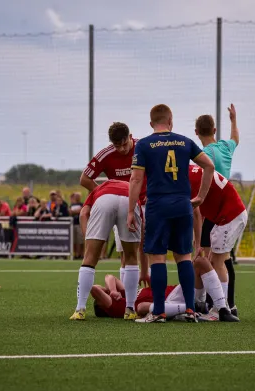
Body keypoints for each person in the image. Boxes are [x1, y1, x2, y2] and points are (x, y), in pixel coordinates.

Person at [128, 103, 218, 323]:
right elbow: (209, 166)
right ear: (171, 121)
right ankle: (189, 309)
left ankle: (158, 311)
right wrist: (201, 197)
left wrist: (131, 210)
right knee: (183, 256)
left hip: (158, 205)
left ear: (151, 123)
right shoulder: (185, 141)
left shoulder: (145, 145)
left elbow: (136, 179)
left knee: (157, 256)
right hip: (183, 205)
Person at [80, 122, 149, 284]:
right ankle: (127, 296)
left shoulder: (143, 148)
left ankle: (148, 291)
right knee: (126, 253)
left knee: (148, 249)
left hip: (145, 204)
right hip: (122, 207)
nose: (122, 149)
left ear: (130, 137)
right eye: (117, 146)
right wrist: (102, 194)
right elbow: (84, 179)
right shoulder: (106, 154)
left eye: (124, 144)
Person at [70, 179, 142, 321]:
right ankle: (130, 310)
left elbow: (84, 213)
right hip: (129, 198)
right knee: (131, 258)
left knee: (90, 258)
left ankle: (80, 310)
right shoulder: (129, 186)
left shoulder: (98, 189)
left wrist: (88, 239)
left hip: (104, 199)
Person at [194, 104, 240, 311]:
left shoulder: (204, 155)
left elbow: (206, 177)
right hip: (229, 205)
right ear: (214, 130)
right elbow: (235, 139)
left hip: (212, 209)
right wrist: (233, 120)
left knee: (210, 258)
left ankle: (213, 302)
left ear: (196, 133)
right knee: (224, 256)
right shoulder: (224, 147)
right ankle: (230, 303)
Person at [189, 165, 244, 321]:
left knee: (217, 262)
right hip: (226, 215)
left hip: (229, 216)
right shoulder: (193, 171)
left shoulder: (186, 178)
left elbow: (196, 213)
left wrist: (198, 243)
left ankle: (220, 309)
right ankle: (218, 307)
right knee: (214, 260)